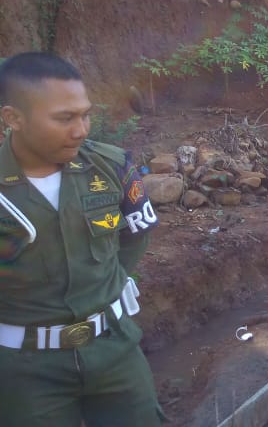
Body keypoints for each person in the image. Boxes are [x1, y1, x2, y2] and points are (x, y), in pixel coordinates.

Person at [0, 52, 161, 426]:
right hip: (25, 371)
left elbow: (136, 234)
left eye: (85, 114)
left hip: (115, 352)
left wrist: (107, 286)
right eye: (64, 119)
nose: (81, 130)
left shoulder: (113, 166)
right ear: (13, 118)